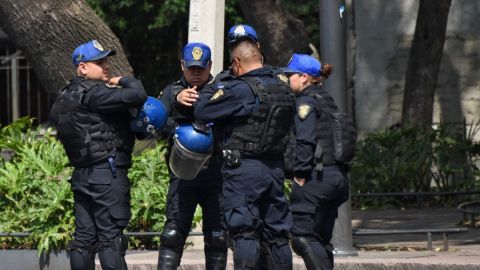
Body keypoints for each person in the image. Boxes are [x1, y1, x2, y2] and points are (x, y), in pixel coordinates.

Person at [194, 37, 295, 270]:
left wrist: (217, 88)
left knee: (244, 232)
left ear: (237, 63)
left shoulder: (241, 89)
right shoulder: (283, 87)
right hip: (274, 169)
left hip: (244, 171)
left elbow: (203, 110)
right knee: (277, 234)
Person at [49, 40, 148, 270]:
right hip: (107, 174)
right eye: (99, 62)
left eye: (106, 61)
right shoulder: (97, 94)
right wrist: (122, 80)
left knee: (83, 240)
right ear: (82, 68)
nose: (106, 66)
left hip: (81, 175)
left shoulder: (64, 96)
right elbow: (138, 94)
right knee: (110, 240)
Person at [156, 42, 227, 270]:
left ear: (210, 66)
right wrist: (176, 103)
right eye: (191, 68)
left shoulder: (223, 89)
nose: (196, 74)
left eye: (201, 69)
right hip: (182, 173)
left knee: (217, 236)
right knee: (172, 234)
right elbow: (156, 125)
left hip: (215, 173)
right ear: (182, 66)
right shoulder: (170, 91)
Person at [282, 54, 350, 270]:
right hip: (336, 177)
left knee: (302, 236)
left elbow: (305, 140)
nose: (287, 78)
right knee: (319, 238)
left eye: (290, 74)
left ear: (303, 78)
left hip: (316, 178)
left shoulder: (306, 102)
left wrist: (300, 173)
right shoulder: (326, 99)